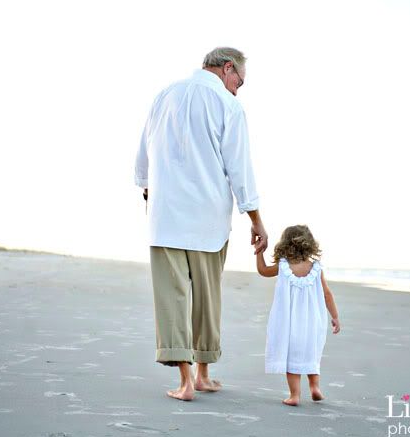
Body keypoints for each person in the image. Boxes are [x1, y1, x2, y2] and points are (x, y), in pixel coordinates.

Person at [134, 47, 268, 401]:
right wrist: (255, 219)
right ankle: (203, 374)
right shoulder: (229, 106)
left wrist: (151, 197)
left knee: (172, 299)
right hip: (208, 219)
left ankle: (187, 382)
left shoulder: (165, 95)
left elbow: (144, 155)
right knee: (208, 297)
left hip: (165, 219)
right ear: (227, 69)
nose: (239, 88)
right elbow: (239, 169)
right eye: (240, 80)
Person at [256, 225, 340, 406]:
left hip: (289, 322)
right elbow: (327, 294)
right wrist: (335, 316)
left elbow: (263, 271)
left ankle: (294, 395)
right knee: (311, 354)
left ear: (284, 244)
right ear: (310, 244)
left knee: (292, 357)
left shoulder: (283, 267)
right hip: (313, 321)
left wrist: (258, 252)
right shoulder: (316, 268)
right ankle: (315, 387)